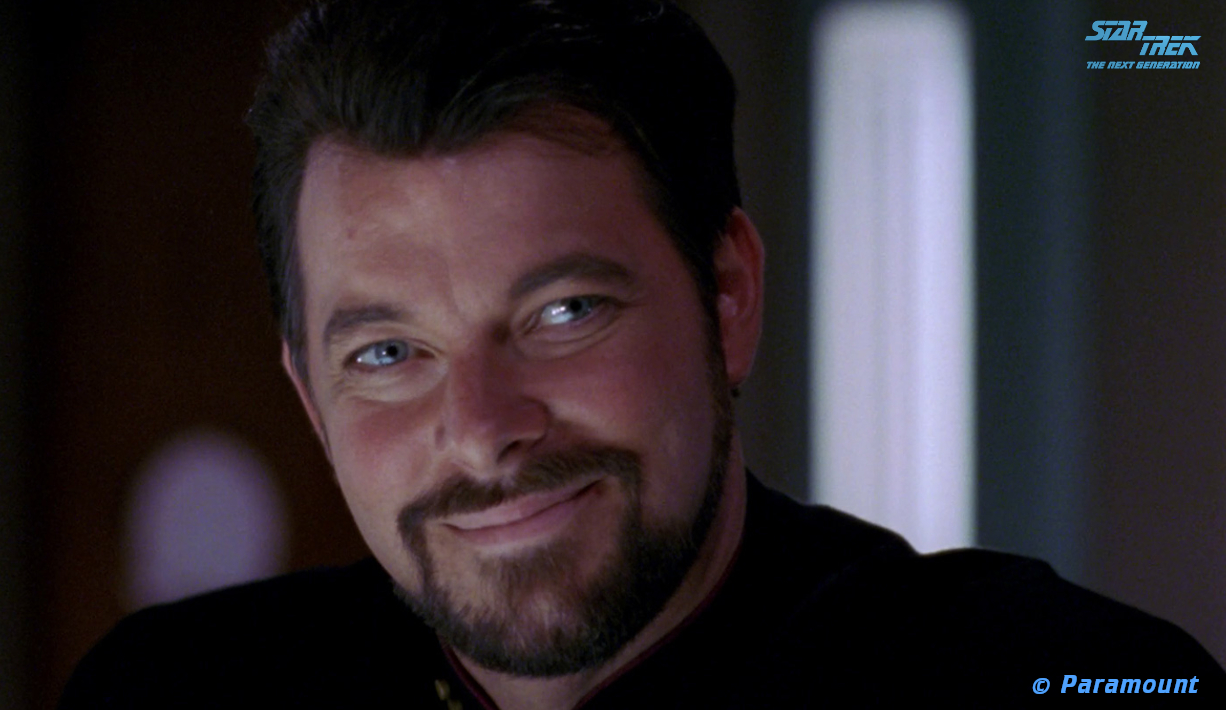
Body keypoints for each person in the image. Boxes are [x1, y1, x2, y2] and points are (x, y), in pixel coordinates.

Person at [61, 0, 1222, 707]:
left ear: (728, 295)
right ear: (310, 398)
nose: (483, 427)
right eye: (387, 351)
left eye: (563, 311)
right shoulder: (168, 694)